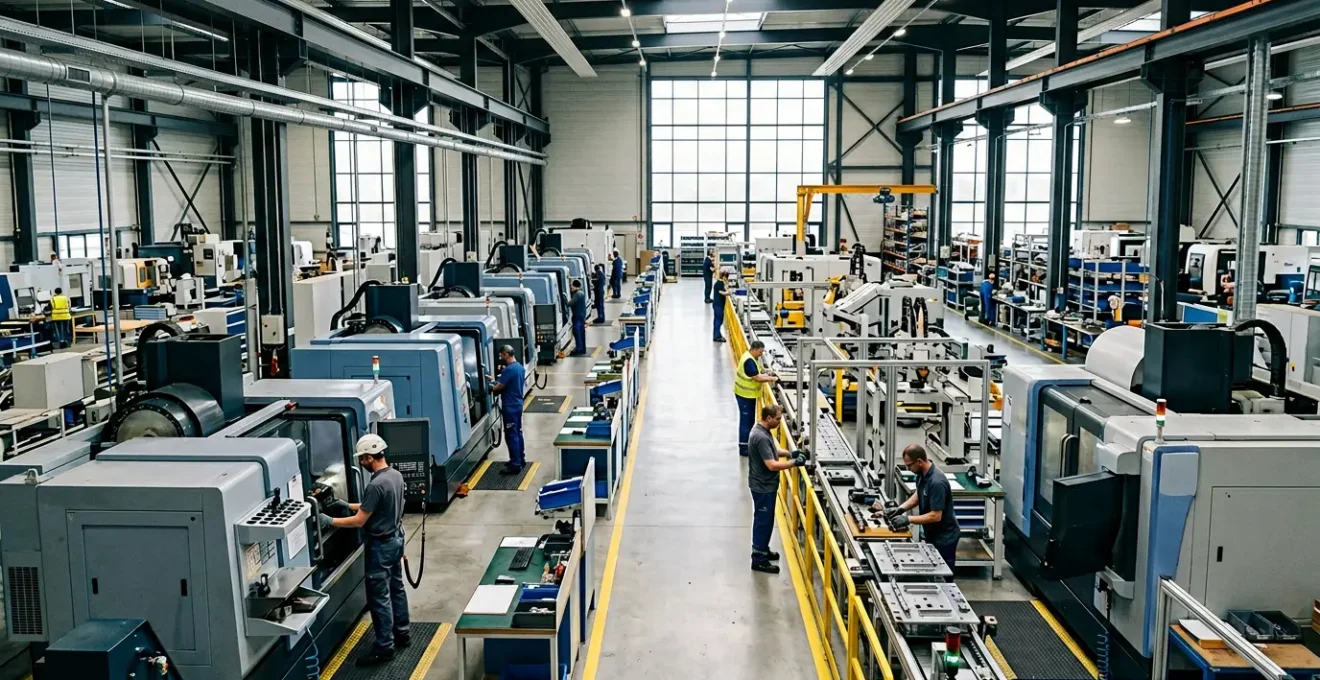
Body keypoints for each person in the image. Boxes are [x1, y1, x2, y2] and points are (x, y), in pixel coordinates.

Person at [318, 434, 410, 667]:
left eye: (362, 459)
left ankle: (384, 648)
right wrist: (345, 505)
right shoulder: (395, 476)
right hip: (396, 539)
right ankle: (402, 633)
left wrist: (329, 521)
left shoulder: (375, 484)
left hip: (381, 547)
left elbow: (360, 521)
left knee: (379, 598)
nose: (360, 462)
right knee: (396, 588)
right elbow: (374, 506)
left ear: (370, 457)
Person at [877, 444, 961, 568]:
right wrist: (900, 509)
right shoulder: (922, 475)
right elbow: (919, 494)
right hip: (932, 534)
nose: (908, 468)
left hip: (945, 538)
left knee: (944, 575)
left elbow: (936, 515)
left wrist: (908, 519)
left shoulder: (936, 482)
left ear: (919, 462)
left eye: (909, 465)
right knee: (933, 570)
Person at [746, 404, 807, 574]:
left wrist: (790, 454)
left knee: (766, 520)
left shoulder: (762, 431)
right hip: (763, 486)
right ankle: (758, 559)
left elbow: (773, 451)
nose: (780, 422)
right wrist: (793, 463)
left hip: (764, 485)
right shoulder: (761, 436)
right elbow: (772, 465)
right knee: (763, 522)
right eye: (778, 419)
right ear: (769, 418)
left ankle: (762, 550)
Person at [734, 341, 777, 456]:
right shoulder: (748, 360)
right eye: (760, 351)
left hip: (747, 395)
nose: (761, 354)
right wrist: (772, 379)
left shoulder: (751, 357)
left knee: (749, 421)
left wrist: (766, 372)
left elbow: (757, 371)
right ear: (754, 349)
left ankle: (747, 445)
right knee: (746, 422)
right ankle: (743, 448)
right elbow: (756, 378)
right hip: (745, 395)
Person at [488, 345, 526, 474]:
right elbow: (508, 383)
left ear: (506, 354)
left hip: (510, 406)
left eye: (502, 355)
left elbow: (499, 387)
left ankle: (515, 464)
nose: (501, 358)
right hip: (518, 404)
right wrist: (494, 381)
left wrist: (491, 387)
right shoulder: (519, 367)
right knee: (518, 432)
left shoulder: (509, 370)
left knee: (511, 435)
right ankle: (521, 458)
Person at [569, 280, 588, 356]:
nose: (571, 288)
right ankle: (583, 348)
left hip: (577, 316)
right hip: (581, 315)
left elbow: (570, 303)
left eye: (572, 286)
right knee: (581, 332)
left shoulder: (577, 294)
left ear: (574, 286)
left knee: (577, 332)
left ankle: (578, 348)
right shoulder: (581, 292)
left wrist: (565, 300)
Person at [711, 270, 728, 342]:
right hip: (718, 305)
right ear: (724, 277)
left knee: (718, 320)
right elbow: (722, 292)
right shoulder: (719, 283)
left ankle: (718, 334)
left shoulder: (720, 283)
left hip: (718, 304)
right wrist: (728, 292)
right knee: (718, 320)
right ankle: (717, 336)